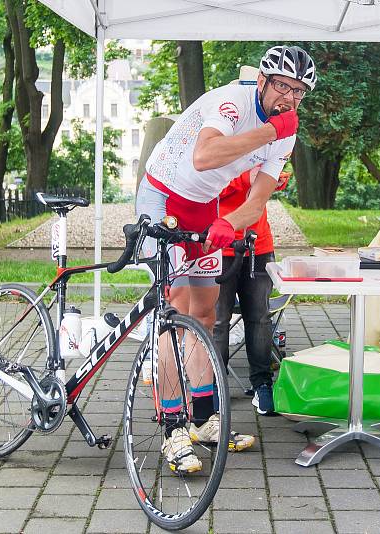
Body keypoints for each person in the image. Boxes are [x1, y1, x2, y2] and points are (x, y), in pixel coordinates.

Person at [136, 45, 316, 472]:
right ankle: (171, 427)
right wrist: (271, 131)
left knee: (206, 314)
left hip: (205, 204)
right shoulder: (232, 102)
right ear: (263, 81)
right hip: (162, 196)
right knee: (174, 308)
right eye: (283, 87)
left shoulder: (287, 131)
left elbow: (257, 202)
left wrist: (230, 223)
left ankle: (202, 418)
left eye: (299, 92)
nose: (288, 99)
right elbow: (205, 156)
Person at [213, 164, 290, 416]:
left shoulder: (264, 141)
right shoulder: (216, 138)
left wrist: (276, 180)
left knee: (259, 317)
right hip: (219, 245)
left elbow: (263, 181)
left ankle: (262, 384)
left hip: (259, 244)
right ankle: (214, 384)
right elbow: (208, 187)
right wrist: (245, 178)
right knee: (218, 321)